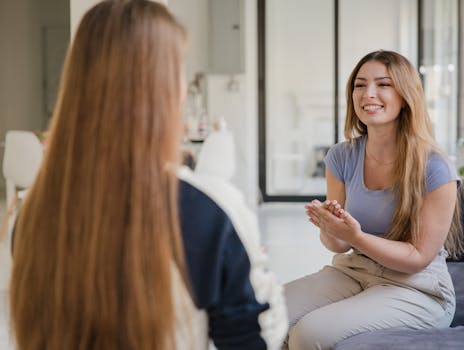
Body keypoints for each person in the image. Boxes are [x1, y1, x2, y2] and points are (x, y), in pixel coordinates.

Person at [9, 1, 286, 349]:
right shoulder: (207, 211)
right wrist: (254, 266)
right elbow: (256, 339)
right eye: (180, 70)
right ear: (164, 87)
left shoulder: (29, 215)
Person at [283, 50, 464, 350]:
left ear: (406, 96)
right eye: (359, 84)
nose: (368, 94)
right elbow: (338, 246)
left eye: (383, 84)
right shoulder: (341, 156)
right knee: (265, 315)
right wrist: (332, 228)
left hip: (417, 287)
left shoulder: (435, 166)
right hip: (354, 270)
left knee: (308, 334)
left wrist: (356, 236)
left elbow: (418, 258)